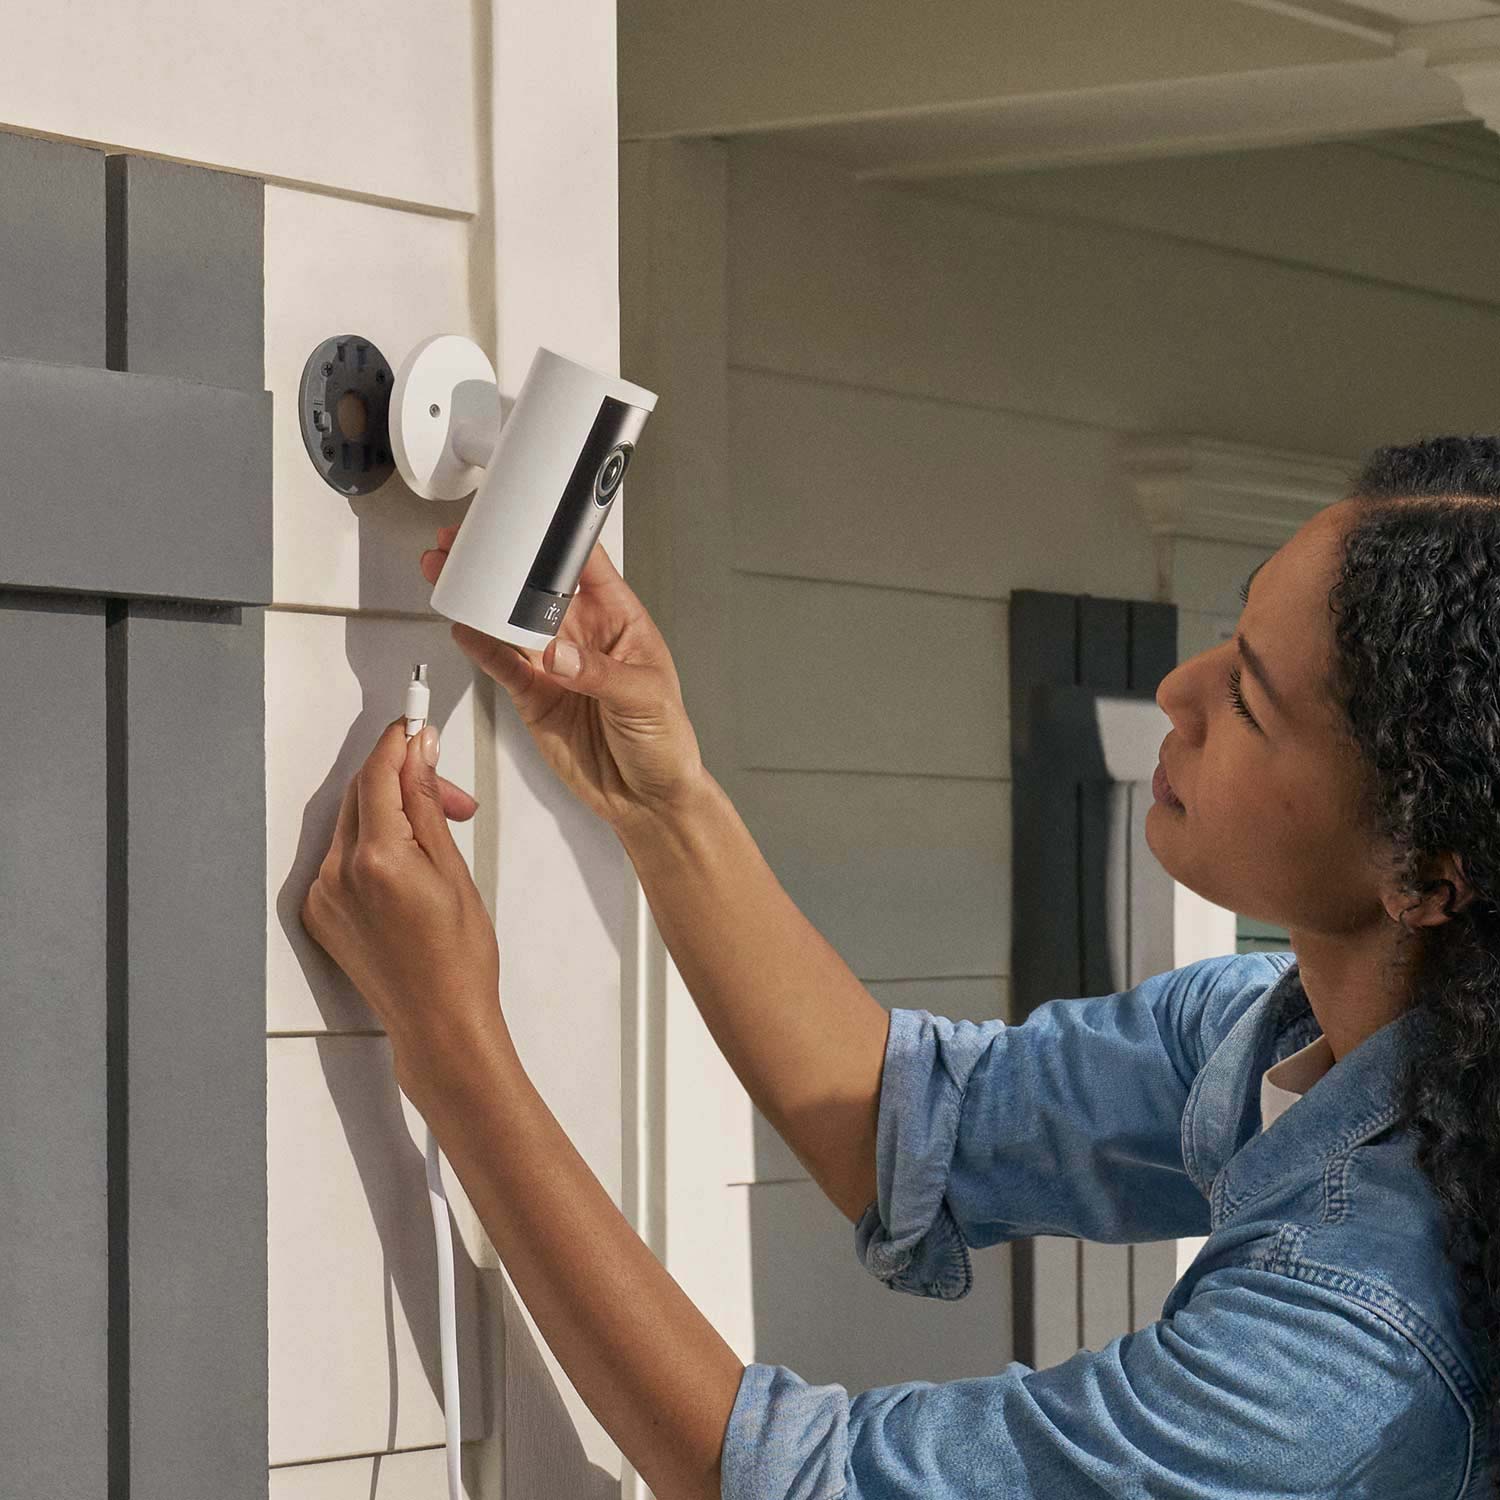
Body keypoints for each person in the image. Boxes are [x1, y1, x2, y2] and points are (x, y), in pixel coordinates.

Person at [299, 433, 1500, 1499]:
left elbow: (786, 1483)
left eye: (1249, 700)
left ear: (1427, 874)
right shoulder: (1269, 1032)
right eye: (1229, 632)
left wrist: (448, 1041)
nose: (1178, 691)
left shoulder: (1358, 1347)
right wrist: (658, 797)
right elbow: (904, 1116)